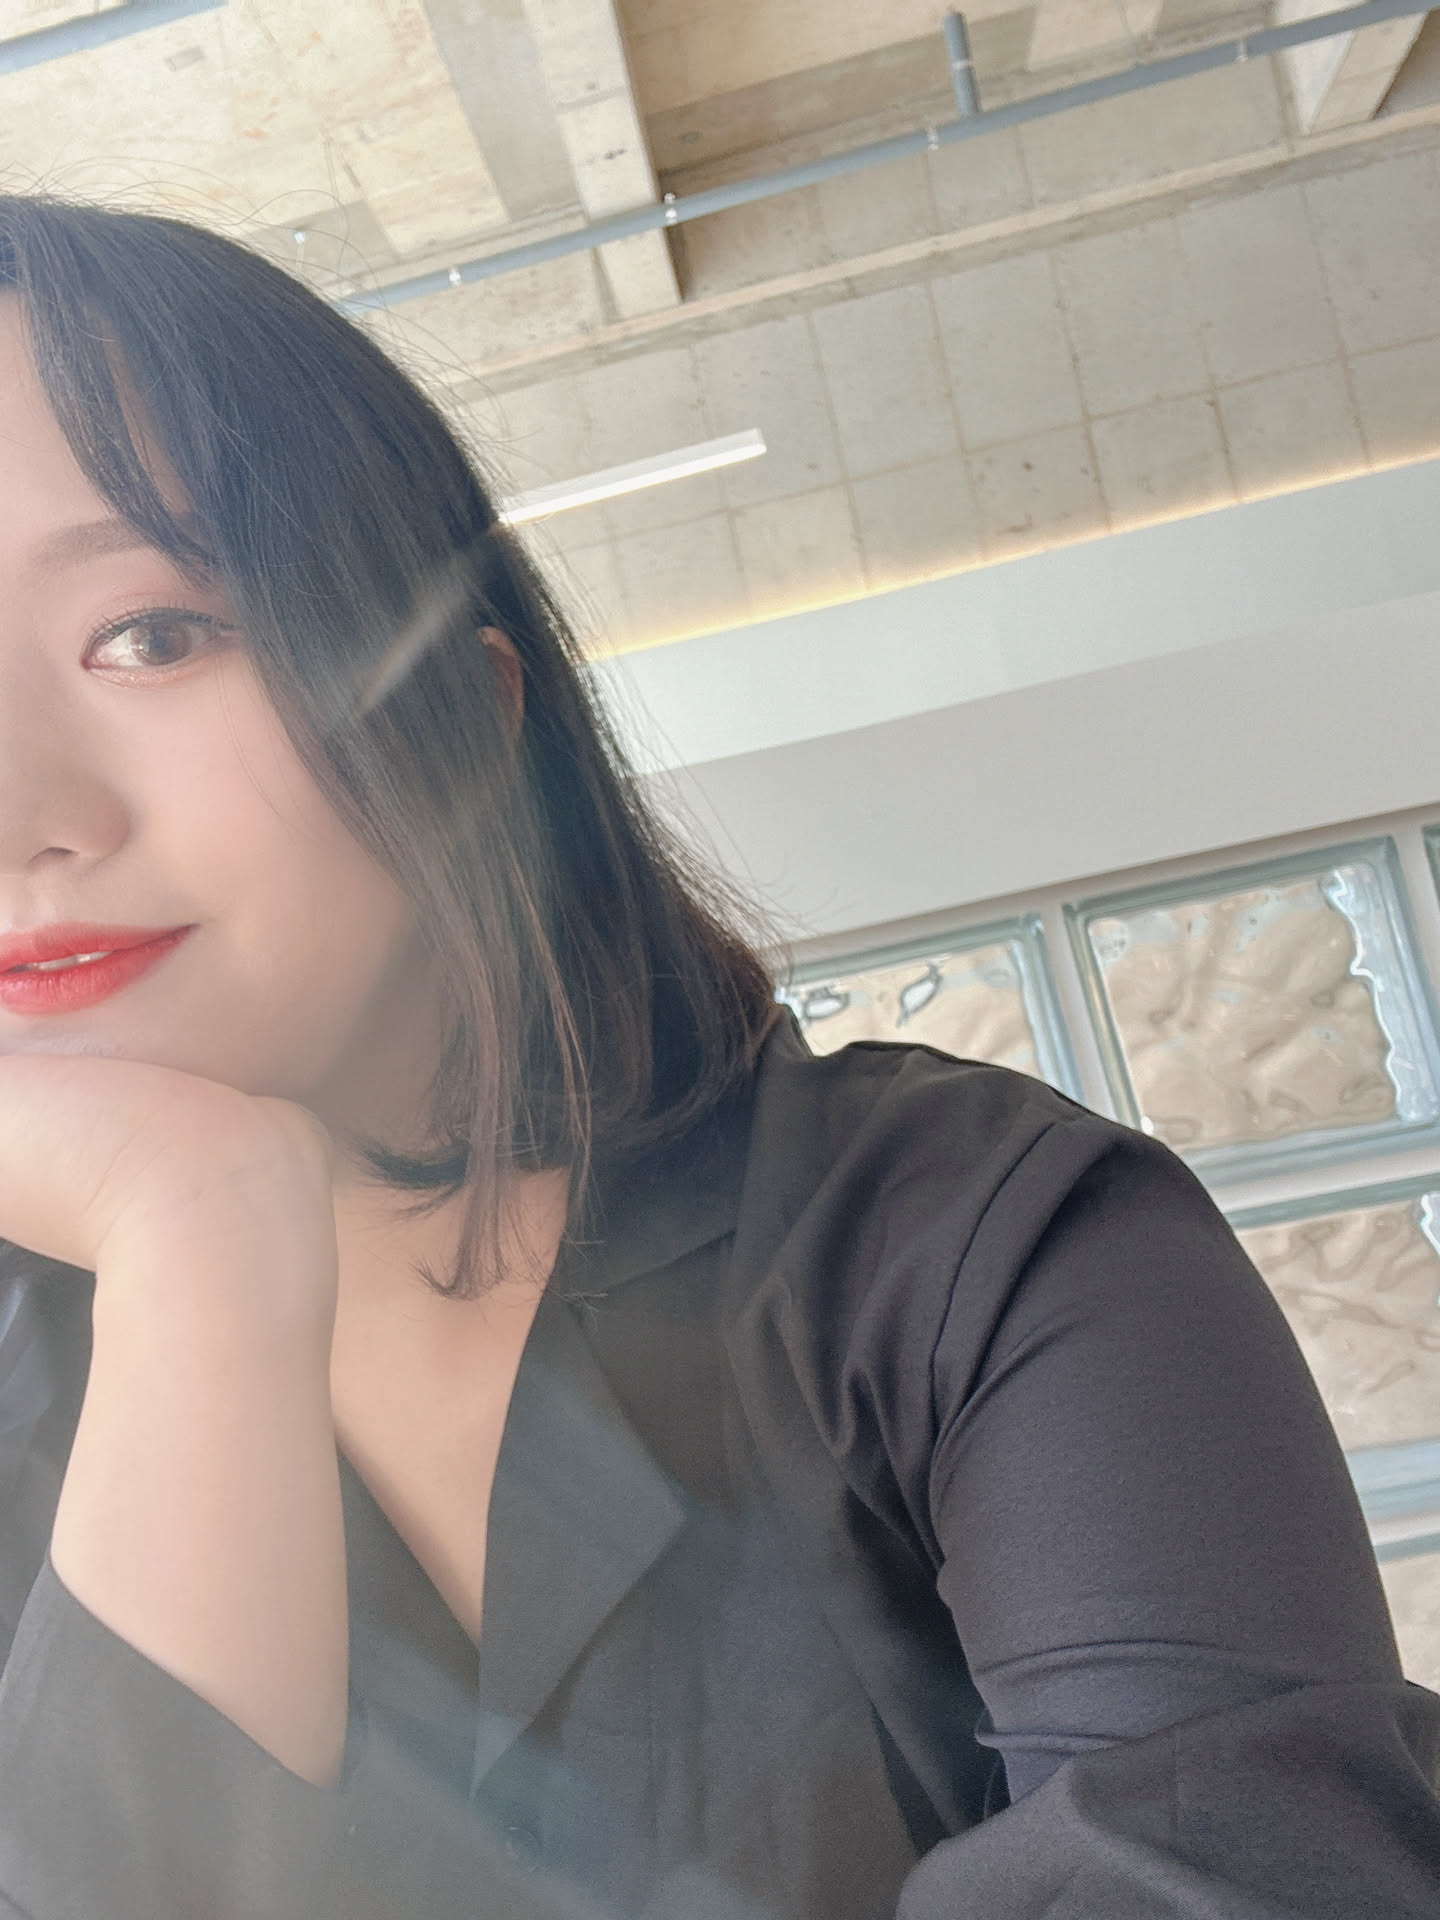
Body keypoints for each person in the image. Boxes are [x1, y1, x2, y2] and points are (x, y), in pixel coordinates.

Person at [0, 192, 1434, 1920]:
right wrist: (196, 1246)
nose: (20, 808)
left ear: (463, 713)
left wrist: (204, 1236)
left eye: (149, 634)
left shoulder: (969, 1249)